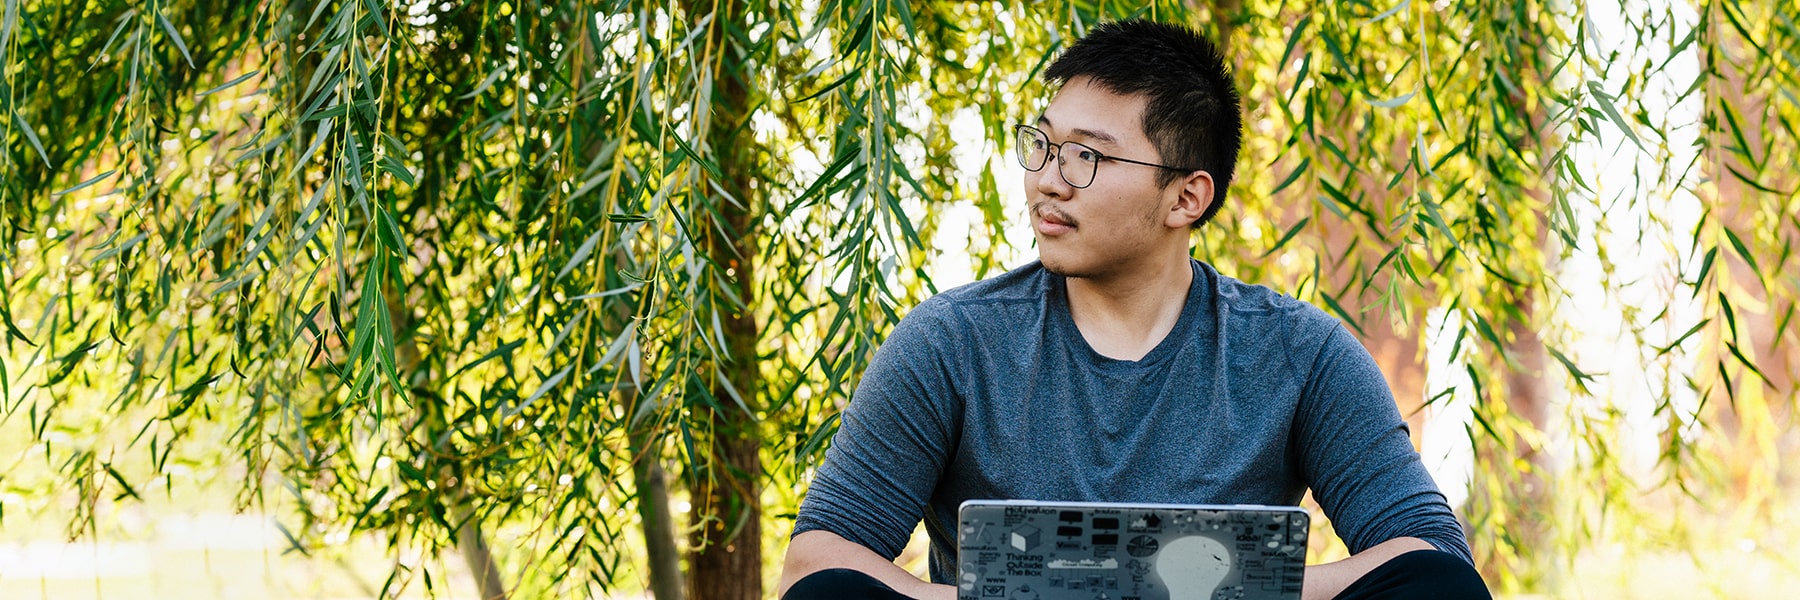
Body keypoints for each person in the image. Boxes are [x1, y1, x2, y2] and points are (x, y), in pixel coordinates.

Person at [777, 19, 1491, 600]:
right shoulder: (951, 342)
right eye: (1042, 145)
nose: (1047, 182)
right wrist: (1022, 598)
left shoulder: (1298, 354)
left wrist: (1222, 591)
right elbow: (814, 563)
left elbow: (1432, 558)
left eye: (1085, 158)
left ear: (1187, 197)